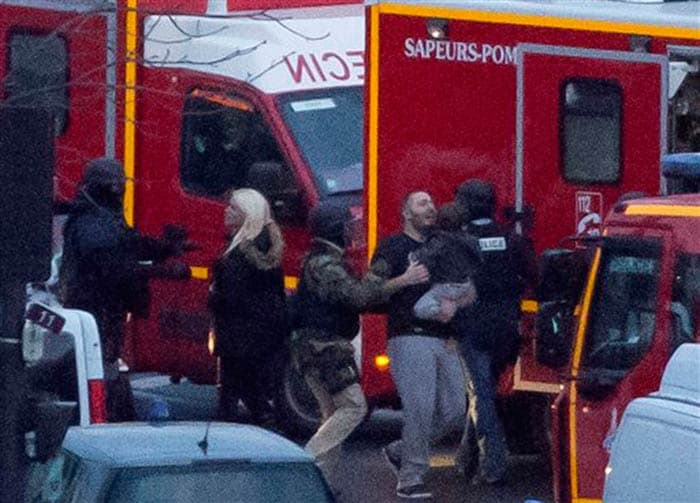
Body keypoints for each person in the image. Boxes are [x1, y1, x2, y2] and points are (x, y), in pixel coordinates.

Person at [291, 202, 429, 491]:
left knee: (332, 416)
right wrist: (402, 280)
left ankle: (320, 487)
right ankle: (301, 464)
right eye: (346, 225)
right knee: (354, 408)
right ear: (333, 229)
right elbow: (359, 297)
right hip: (324, 347)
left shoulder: (322, 260)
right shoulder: (325, 264)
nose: (351, 231)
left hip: (314, 346)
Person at [58, 158, 189, 422]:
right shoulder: (91, 224)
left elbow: (128, 242)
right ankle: (102, 417)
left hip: (106, 312)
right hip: (96, 312)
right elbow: (117, 267)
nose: (121, 191)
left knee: (106, 364)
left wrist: (163, 248)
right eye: (116, 186)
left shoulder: (101, 217)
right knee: (99, 367)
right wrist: (163, 270)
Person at [370, 191, 467, 500]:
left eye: (432, 203)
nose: (431, 207)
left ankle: (401, 449)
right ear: (406, 213)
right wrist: (404, 279)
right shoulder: (392, 247)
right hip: (409, 335)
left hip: (446, 337)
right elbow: (370, 291)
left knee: (455, 409)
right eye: (422, 203)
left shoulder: (443, 245)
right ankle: (410, 478)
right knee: (420, 409)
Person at [453, 179, 535, 486]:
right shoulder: (510, 239)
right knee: (482, 394)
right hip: (506, 330)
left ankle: (493, 464)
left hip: (472, 329)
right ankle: (466, 459)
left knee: (481, 395)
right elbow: (533, 274)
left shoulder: (459, 241)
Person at [208, 188, 287, 427]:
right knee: (252, 394)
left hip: (237, 338)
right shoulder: (270, 250)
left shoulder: (236, 257)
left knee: (235, 397)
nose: (226, 211)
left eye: (233, 208)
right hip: (264, 337)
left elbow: (230, 298)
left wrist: (213, 296)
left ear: (246, 215)